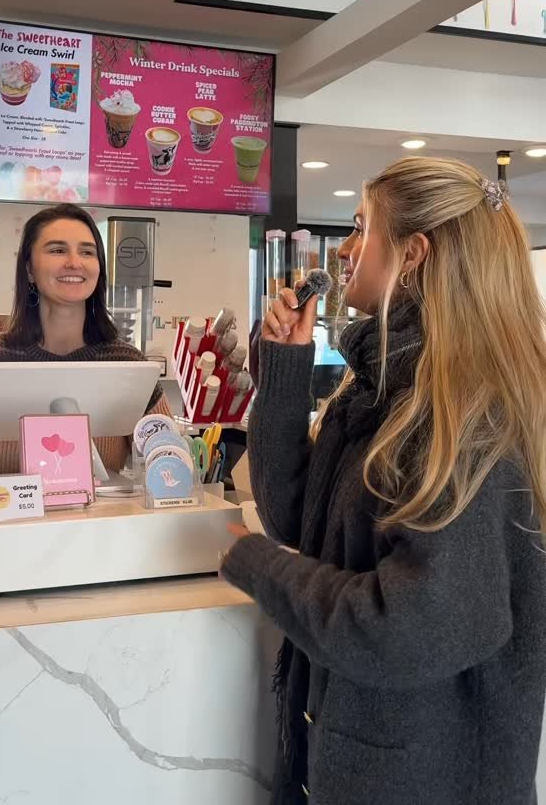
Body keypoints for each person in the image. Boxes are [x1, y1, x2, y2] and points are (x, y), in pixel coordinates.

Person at [221, 157, 546, 805]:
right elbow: (299, 520)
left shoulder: (462, 417)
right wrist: (284, 367)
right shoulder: (382, 387)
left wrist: (258, 564)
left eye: (361, 228)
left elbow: (412, 629)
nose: (343, 250)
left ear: (414, 254)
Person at [0, 204, 171, 485]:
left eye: (87, 252)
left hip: (99, 515)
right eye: (57, 250)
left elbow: (171, 465)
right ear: (29, 270)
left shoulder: (126, 363)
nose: (74, 262)